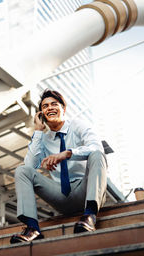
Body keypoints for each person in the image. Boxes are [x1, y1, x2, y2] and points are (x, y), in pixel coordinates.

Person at [10, 89, 107, 244]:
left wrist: (67, 153)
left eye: (54, 104)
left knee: (97, 154)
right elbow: (29, 166)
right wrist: (38, 131)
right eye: (45, 106)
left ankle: (89, 216)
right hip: (61, 196)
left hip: (85, 190)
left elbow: (97, 148)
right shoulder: (43, 138)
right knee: (22, 170)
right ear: (42, 114)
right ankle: (32, 228)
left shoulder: (77, 126)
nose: (50, 108)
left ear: (64, 108)